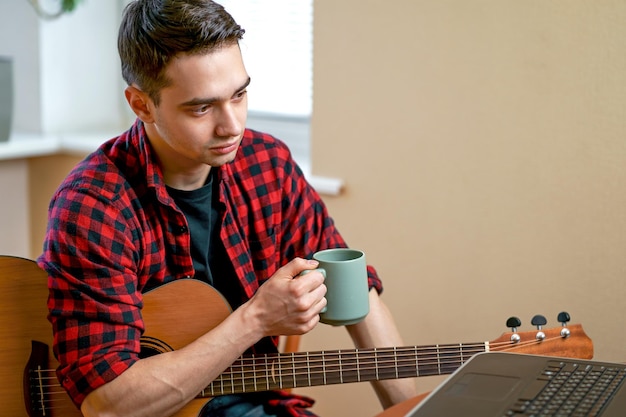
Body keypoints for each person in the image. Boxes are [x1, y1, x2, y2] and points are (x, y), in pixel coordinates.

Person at [37, 1, 418, 416]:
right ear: (141, 105)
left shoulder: (266, 164)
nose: (232, 125)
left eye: (239, 95)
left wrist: (414, 412)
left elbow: (355, 290)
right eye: (202, 107)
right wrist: (255, 319)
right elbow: (107, 405)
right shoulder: (93, 207)